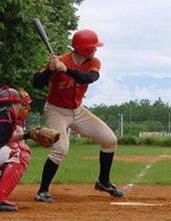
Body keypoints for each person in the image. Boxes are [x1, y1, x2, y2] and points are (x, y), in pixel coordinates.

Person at [33, 29, 123, 203]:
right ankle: (42, 191)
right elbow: (37, 83)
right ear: (86, 49)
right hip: (56, 110)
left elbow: (87, 78)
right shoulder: (61, 61)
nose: (96, 50)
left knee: (110, 140)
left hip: (78, 111)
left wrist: (65, 70)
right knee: (61, 148)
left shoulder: (93, 62)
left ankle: (103, 182)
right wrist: (49, 71)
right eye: (93, 47)